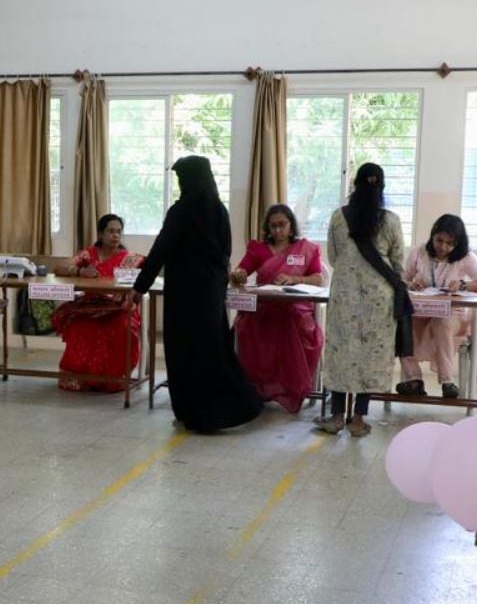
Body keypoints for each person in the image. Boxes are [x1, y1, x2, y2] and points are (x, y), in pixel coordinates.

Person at [130, 156, 262, 432]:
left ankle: (190, 411)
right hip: (211, 291)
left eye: (181, 179)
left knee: (183, 351)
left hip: (183, 292)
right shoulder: (219, 210)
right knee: (213, 348)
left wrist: (140, 285)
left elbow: (161, 250)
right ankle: (233, 407)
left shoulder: (181, 211)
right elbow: (225, 252)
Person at [318, 163, 411, 436]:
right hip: (379, 300)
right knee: (371, 355)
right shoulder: (391, 220)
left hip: (344, 296)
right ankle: (358, 420)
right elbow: (397, 263)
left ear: (355, 185)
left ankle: (336, 417)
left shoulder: (338, 217)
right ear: (381, 188)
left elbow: (334, 258)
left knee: (340, 352)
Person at [229, 204, 326, 413]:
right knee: (250, 324)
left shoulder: (306, 249)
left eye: (282, 225)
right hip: (264, 308)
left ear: (291, 226)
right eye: (273, 226)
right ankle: (259, 388)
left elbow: (318, 279)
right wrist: (238, 275)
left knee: (292, 320)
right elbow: (240, 272)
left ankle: (291, 387)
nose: (278, 231)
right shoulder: (258, 249)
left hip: (295, 307)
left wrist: (294, 279)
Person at [397, 214, 477, 399]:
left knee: (441, 322)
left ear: (458, 243)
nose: (442, 247)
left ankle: (447, 381)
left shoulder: (465, 257)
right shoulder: (419, 253)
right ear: (432, 235)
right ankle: (414, 380)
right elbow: (402, 277)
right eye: (439, 240)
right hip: (422, 312)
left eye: (449, 243)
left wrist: (463, 285)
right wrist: (410, 284)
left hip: (452, 315)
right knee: (401, 325)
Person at [51, 214, 144, 392]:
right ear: (101, 234)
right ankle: (82, 379)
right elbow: (59, 267)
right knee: (80, 325)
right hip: (91, 307)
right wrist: (79, 270)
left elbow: (143, 281)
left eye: (118, 232)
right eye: (110, 231)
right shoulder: (88, 254)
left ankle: (111, 380)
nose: (115, 235)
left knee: (120, 327)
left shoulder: (129, 259)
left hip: (120, 308)